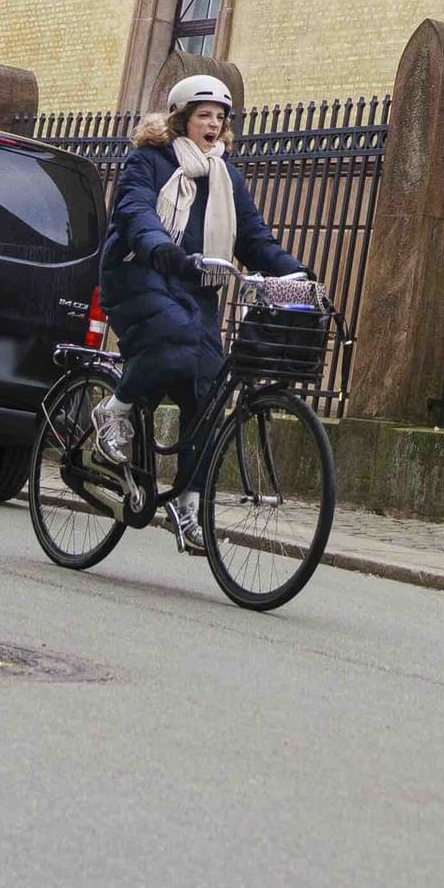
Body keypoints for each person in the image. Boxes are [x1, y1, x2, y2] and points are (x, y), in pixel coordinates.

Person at [104, 73, 309, 552]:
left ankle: (188, 502)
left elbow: (254, 239)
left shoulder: (226, 178)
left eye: (220, 118)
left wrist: (297, 276)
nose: (213, 125)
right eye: (204, 116)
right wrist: (162, 249)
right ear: (180, 120)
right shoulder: (148, 162)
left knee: (210, 391)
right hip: (139, 275)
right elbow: (135, 214)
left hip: (195, 289)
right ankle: (114, 409)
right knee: (173, 342)